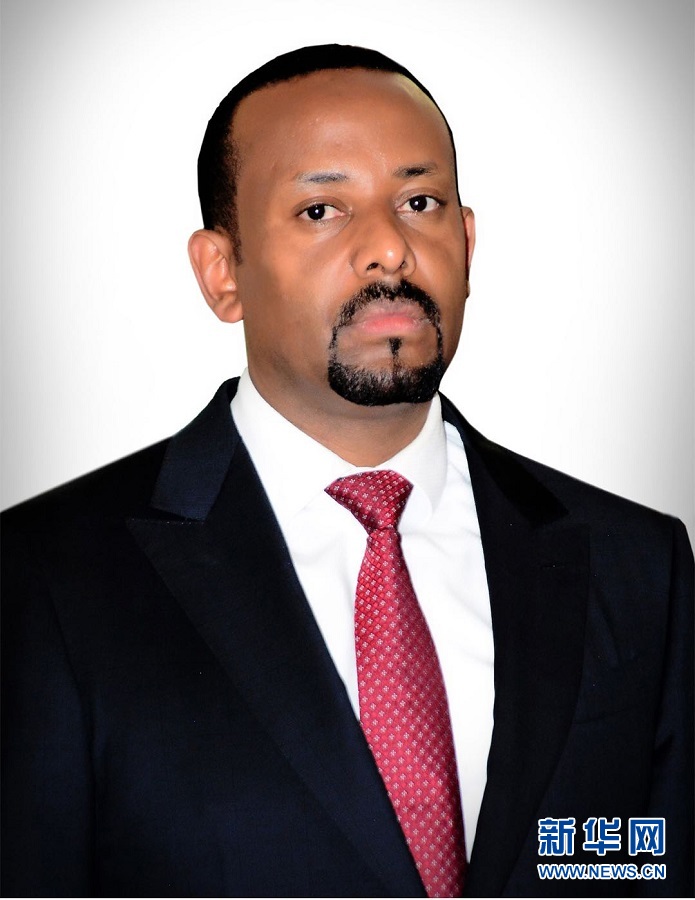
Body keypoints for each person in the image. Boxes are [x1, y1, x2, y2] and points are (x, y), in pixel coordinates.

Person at [1, 44, 692, 898]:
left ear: (467, 242)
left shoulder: (637, 566)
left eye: (419, 202)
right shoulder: (43, 578)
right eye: (321, 209)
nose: (388, 250)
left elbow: (644, 867)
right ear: (223, 273)